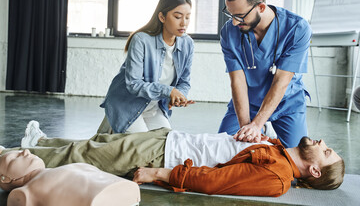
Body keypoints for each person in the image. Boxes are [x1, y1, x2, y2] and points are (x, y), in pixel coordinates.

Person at [1, 121, 344, 197]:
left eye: (326, 152)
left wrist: (160, 174)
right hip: (172, 139)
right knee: (100, 142)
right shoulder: (279, 149)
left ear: (314, 170)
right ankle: (39, 145)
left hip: (166, 154)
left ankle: (9, 161)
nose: (323, 141)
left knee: (87, 154)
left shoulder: (278, 178)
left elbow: (215, 181)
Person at [218, 0, 312, 148]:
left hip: (287, 102)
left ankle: (265, 127)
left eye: (239, 16)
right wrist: (247, 129)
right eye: (230, 14)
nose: (234, 22)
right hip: (248, 102)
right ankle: (263, 129)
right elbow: (237, 82)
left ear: (261, 7)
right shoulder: (228, 33)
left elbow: (281, 82)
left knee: (296, 164)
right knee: (225, 153)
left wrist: (257, 125)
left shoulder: (297, 28)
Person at [100, 0, 195, 134]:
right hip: (127, 105)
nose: (184, 23)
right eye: (177, 16)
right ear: (162, 17)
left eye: (187, 17)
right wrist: (169, 91)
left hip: (153, 107)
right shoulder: (141, 40)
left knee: (166, 143)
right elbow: (133, 84)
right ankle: (111, 125)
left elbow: (184, 82)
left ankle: (109, 132)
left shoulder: (187, 43)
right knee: (141, 147)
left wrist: (179, 96)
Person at [0, 150, 140, 206]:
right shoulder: (23, 193)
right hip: (105, 198)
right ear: (5, 178)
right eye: (14, 158)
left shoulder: (65, 167)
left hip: (124, 190)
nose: (26, 151)